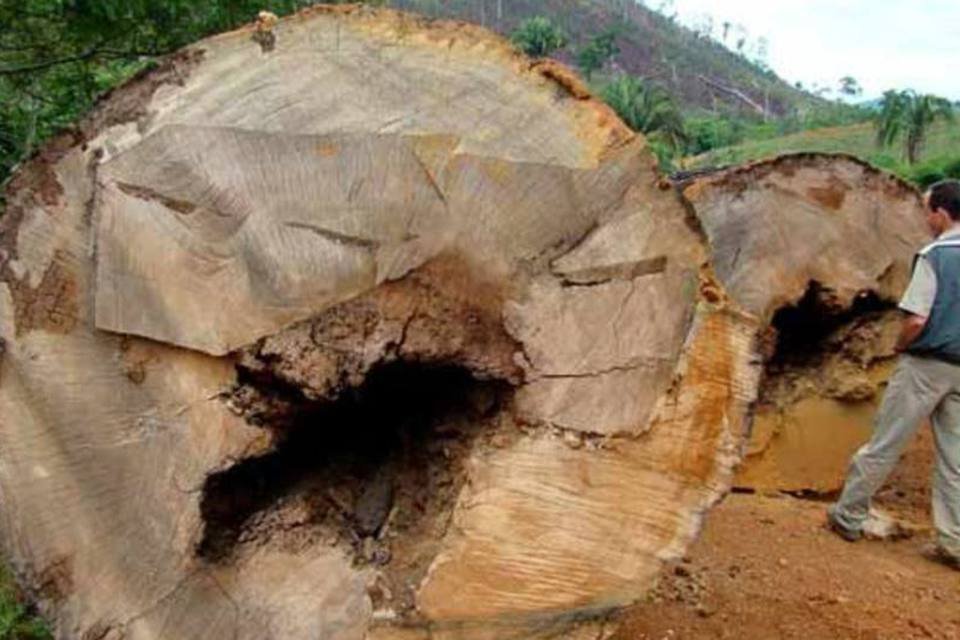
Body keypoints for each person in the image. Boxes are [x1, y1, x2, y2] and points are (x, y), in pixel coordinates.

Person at [827, 179, 960, 570]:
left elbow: (917, 319)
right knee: (956, 459)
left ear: (940, 212)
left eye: (926, 210)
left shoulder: (936, 255)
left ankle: (848, 516)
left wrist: (900, 345)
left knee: (885, 442)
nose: (925, 218)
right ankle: (954, 542)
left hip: (926, 365)